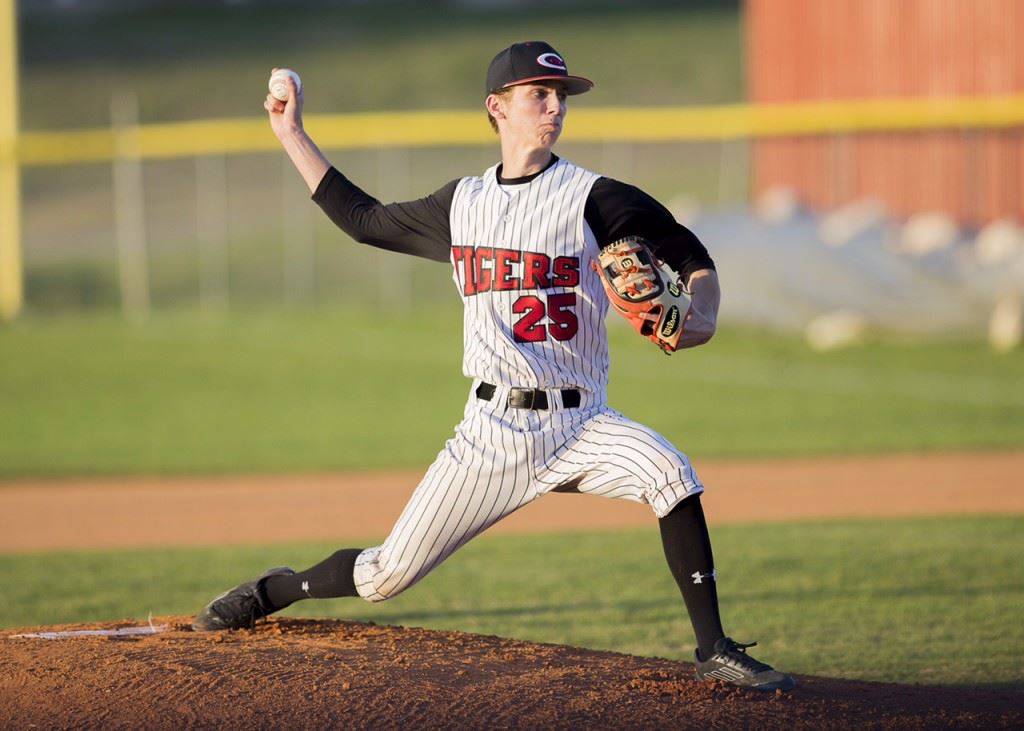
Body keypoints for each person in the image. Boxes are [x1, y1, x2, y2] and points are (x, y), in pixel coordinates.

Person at [192, 41, 794, 693]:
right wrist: (292, 132)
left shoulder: (595, 198)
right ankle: (276, 587)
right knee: (382, 576)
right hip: (491, 433)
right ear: (496, 107)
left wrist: (700, 310)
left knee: (669, 472)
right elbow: (363, 220)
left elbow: (689, 251)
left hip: (582, 422)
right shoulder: (464, 204)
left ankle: (714, 648)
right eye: (540, 93)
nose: (554, 106)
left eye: (561, 95)